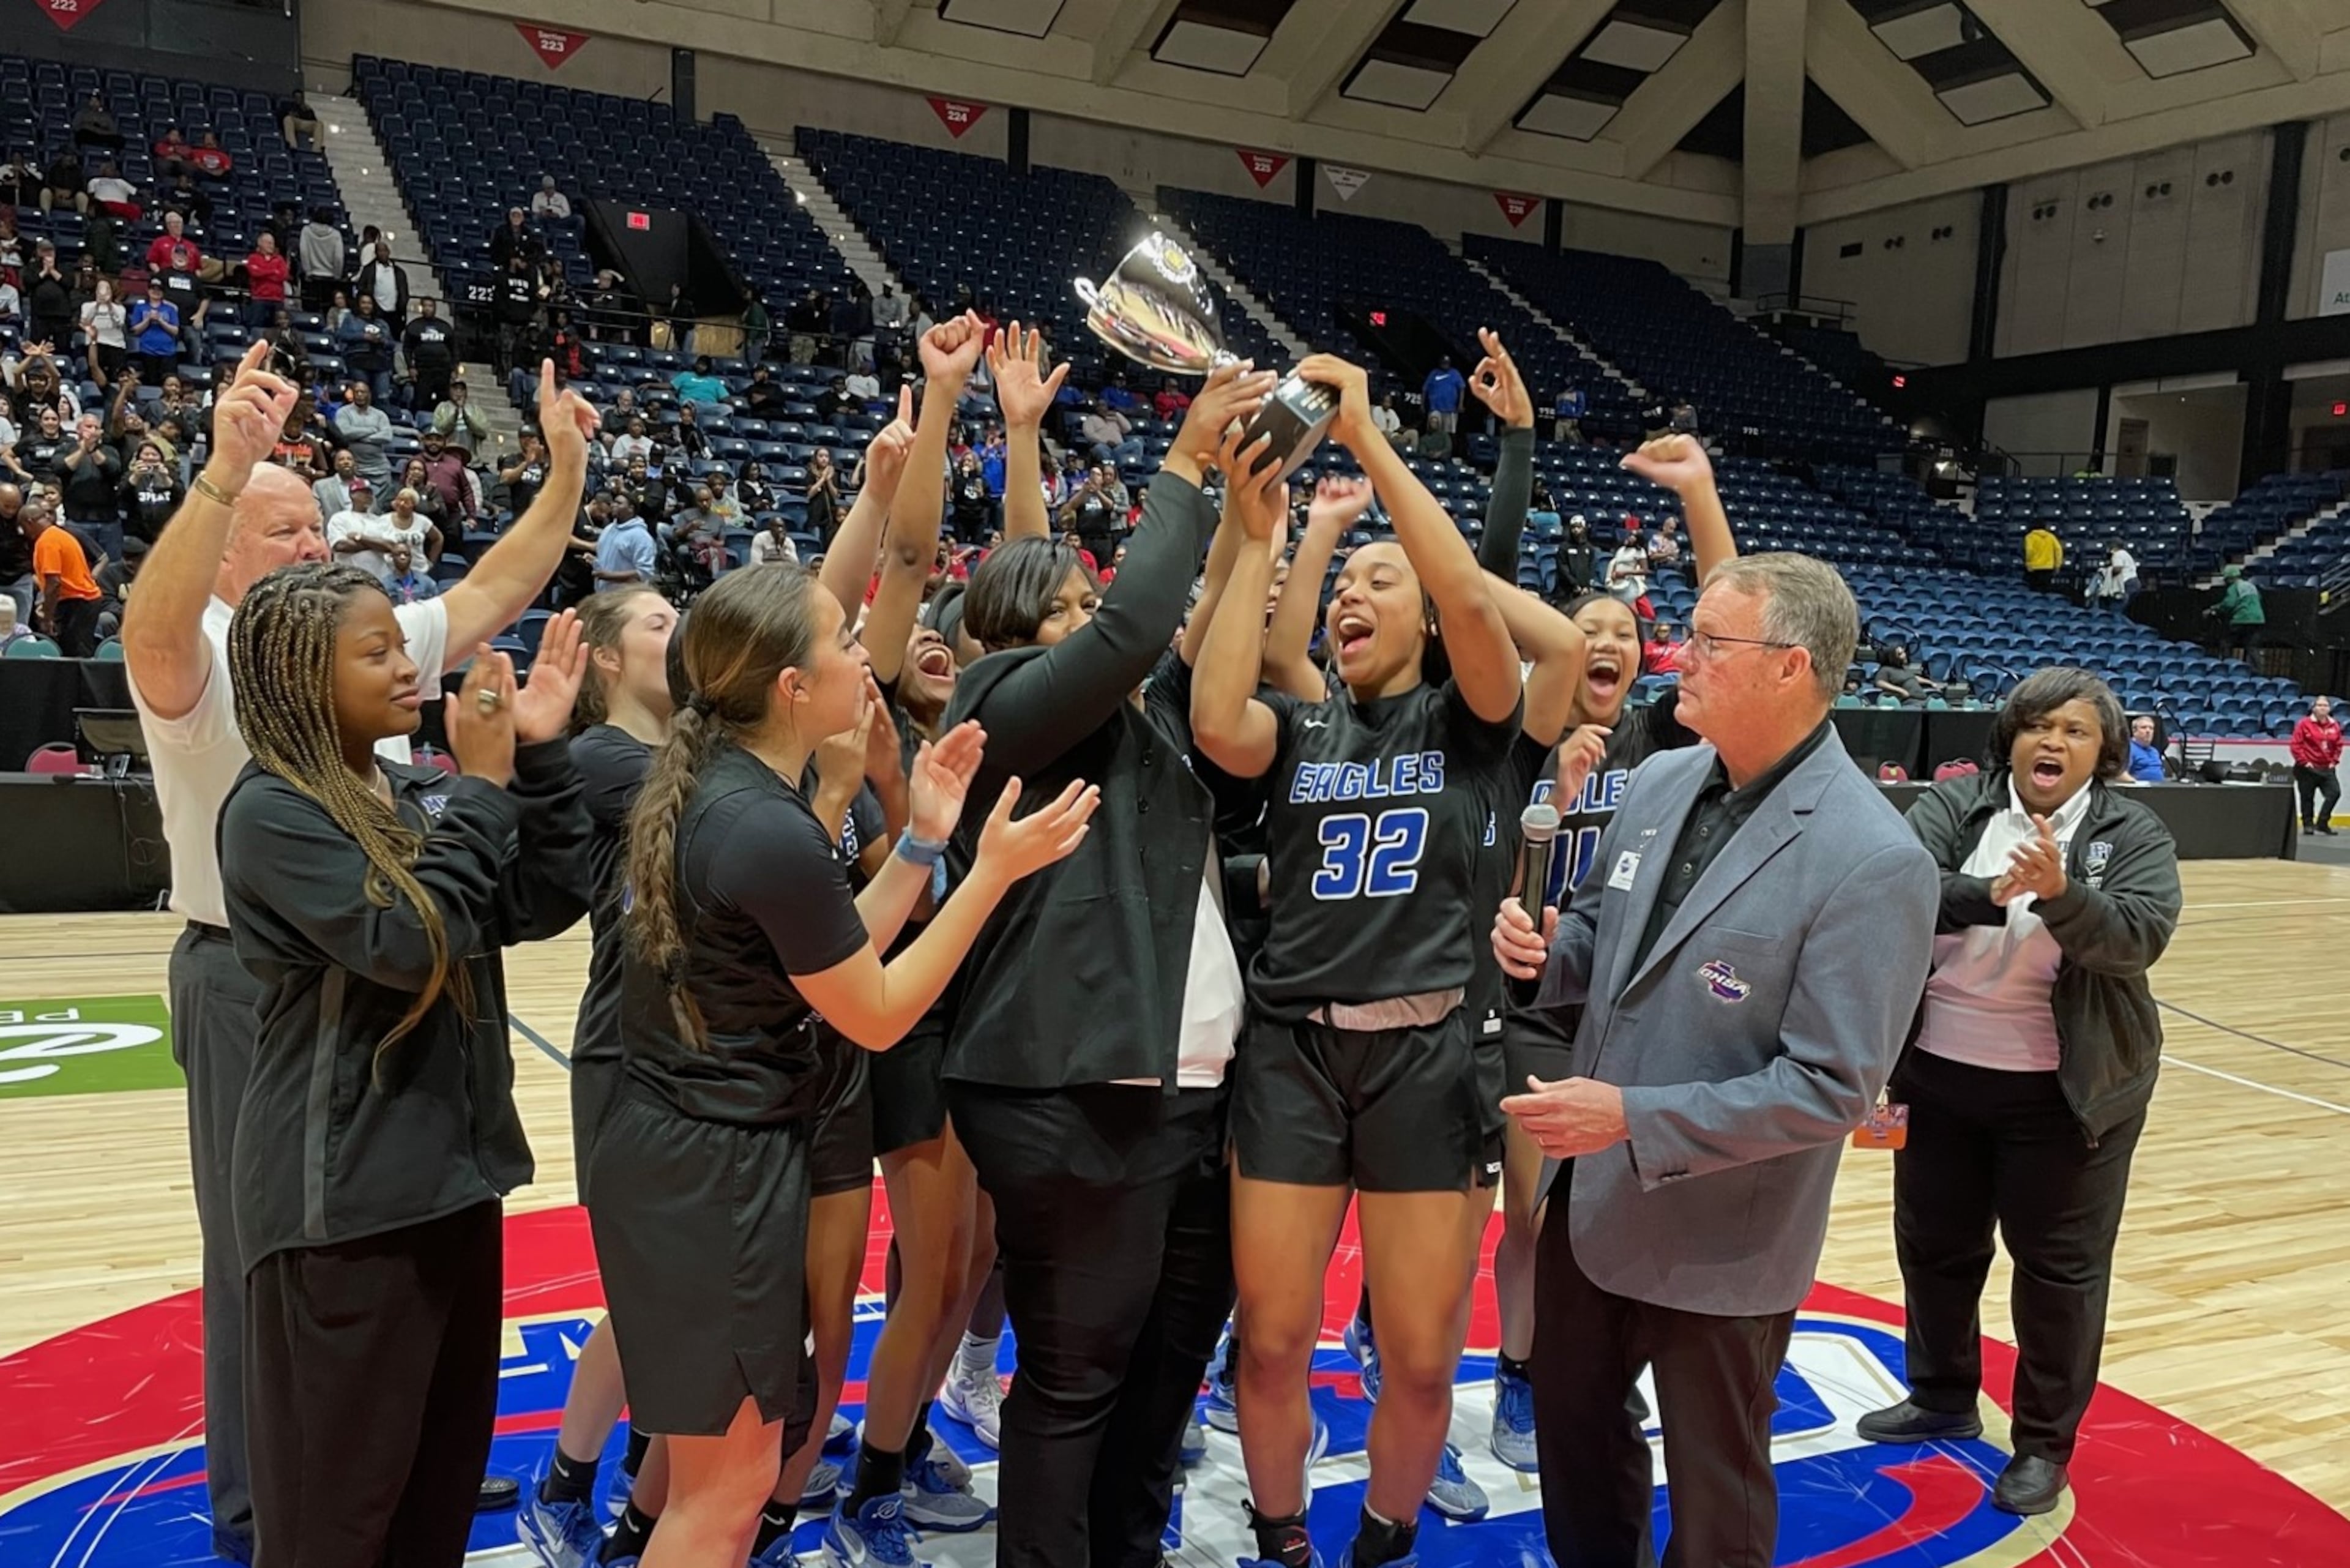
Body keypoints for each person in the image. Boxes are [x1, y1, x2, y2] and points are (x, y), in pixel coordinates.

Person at [118, 348, 598, 1564]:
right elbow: (152, 628)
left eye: (319, 530)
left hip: (426, 1132)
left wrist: (567, 470)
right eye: (288, 532)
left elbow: (495, 599)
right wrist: (225, 471)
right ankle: (258, 1502)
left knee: (418, 1437)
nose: (315, 547)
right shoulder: (218, 662)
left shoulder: (376, 732)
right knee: (262, 1269)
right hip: (254, 982)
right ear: (231, 549)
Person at [588, 564, 1097, 1568]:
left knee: (713, 1485)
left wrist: (919, 841)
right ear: (791, 685)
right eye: (843, 639)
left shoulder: (726, 791)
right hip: (708, 1177)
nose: (864, 653)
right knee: (724, 1497)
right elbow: (874, 1012)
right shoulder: (764, 823)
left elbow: (836, 959)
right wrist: (990, 872)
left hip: (680, 1159)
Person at [1492, 551, 1941, 1568]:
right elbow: (1604, 935)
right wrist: (1545, 956)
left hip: (1726, 1237)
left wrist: (1634, 1117)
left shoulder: (1877, 858)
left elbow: (1831, 1086)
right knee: (1575, 1444)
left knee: (1716, 1493)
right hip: (1593, 1205)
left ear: (1791, 666)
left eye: (1705, 641)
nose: (1672, 656)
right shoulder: (1656, 778)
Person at [941, 356, 1275, 1568]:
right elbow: (1140, 624)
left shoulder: (1135, 725)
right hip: (1066, 1096)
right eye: (1072, 619)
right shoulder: (999, 706)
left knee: (1161, 1370)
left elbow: (1184, 651)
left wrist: (1251, 528)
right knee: (1077, 1376)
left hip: (1181, 1097)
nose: (1103, 634)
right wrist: (1181, 464)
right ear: (1021, 639)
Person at [1193, 354, 1525, 1568]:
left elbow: (1481, 611)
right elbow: (1215, 717)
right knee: (1274, 1341)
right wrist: (1260, 535)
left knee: (1426, 1352)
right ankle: (1282, 1533)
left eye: (1382, 581)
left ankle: (1383, 1538)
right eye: (1344, 586)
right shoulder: (1299, 727)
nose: (1354, 596)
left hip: (1432, 1056)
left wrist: (1374, 444)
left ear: (1428, 618)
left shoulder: (1473, 723)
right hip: (1294, 1052)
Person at [219, 572, 594, 1567]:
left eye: (403, 645)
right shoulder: (272, 812)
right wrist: (480, 787)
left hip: (449, 1185)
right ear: (303, 676)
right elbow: (407, 944)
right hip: (342, 1212)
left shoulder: (413, 789)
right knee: (334, 1526)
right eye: (376, 650)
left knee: (434, 1502)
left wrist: (541, 756)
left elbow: (541, 900)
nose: (407, 666)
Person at [1858, 667, 2181, 1518]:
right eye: (2040, 725)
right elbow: (1894, 893)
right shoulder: (1950, 805)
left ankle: (2042, 1446)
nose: (2054, 742)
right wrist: (1991, 893)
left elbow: (2139, 938)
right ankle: (1940, 1393)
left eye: (2076, 731)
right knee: (1935, 1248)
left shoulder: (2132, 829)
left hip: (2069, 1097)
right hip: (1937, 1074)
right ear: (2011, 736)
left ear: (2104, 750)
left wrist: (2065, 895)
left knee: (2059, 1277)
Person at [516, 587, 677, 1568]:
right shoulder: (603, 759)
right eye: (658, 623)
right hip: (628, 1051)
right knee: (650, 1291)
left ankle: (646, 1470)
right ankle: (567, 1479)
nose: (682, 632)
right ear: (606, 661)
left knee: (673, 1294)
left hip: (696, 1050)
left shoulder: (691, 754)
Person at [23, 499, 104, 655]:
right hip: (80, 601)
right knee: (73, 653)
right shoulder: (59, 534)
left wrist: (47, 616)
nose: (24, 533)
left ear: (29, 522)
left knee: (76, 657)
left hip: (79, 602)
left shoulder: (47, 541)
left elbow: (54, 583)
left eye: (23, 528)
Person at [2291, 694, 2341, 835]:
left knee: (2335, 793)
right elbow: (2296, 745)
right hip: (2307, 768)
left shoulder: (2334, 725)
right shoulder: (2304, 724)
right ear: (2314, 708)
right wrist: (2304, 762)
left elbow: (2338, 745)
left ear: (2329, 709)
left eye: (2325, 706)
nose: (2322, 708)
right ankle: (2308, 824)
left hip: (2327, 768)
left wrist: (2334, 761)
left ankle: (2323, 822)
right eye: (2319, 705)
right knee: (2307, 797)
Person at [2210, 562, 2264, 661]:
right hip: (2258, 619)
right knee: (2252, 647)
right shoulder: (2251, 586)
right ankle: (2256, 671)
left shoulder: (2234, 587)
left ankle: (2227, 666)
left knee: (2226, 642)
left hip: (2242, 619)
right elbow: (2259, 599)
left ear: (2230, 578)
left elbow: (2229, 604)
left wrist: (2215, 609)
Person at [2089, 539, 2138, 615]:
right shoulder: (2126, 554)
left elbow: (2118, 569)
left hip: (2126, 584)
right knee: (2120, 610)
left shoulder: (2117, 554)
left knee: (2115, 611)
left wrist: (2106, 572)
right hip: (2134, 583)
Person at [1421, 356, 1464, 438]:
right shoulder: (1434, 373)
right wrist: (1422, 405)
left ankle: (1447, 450)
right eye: (1444, 363)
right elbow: (1425, 389)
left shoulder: (1455, 373)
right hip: (1435, 408)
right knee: (1433, 431)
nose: (1445, 365)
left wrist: (1460, 404)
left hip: (1450, 409)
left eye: (1447, 363)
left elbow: (1462, 388)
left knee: (1448, 434)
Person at [2125, 714, 2167, 785]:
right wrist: (2137, 785)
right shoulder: (2129, 749)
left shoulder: (2154, 751)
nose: (2148, 731)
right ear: (2134, 731)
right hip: (2140, 792)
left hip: (2160, 790)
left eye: (2151, 728)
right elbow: (2121, 774)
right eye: (2144, 728)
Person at [2023, 523, 2063, 595]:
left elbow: (2030, 550)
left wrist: (2028, 563)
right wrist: (2057, 565)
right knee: (2046, 591)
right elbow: (2058, 550)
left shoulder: (2030, 537)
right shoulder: (2051, 537)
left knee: (2035, 591)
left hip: (2035, 567)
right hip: (2049, 567)